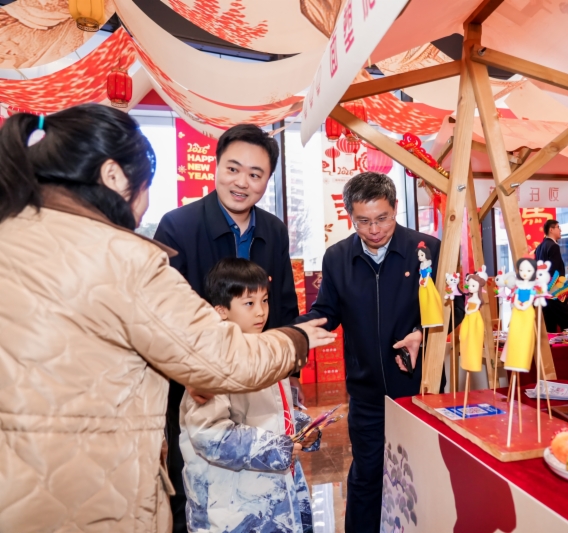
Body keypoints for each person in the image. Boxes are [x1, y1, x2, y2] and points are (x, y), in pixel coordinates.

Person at [0, 105, 334, 532]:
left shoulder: (12, 231)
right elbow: (208, 353)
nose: (144, 203)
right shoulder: (133, 251)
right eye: (146, 185)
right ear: (114, 177)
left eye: (256, 174)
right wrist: (296, 341)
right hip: (109, 464)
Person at [296, 172, 464, 532]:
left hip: (420, 389)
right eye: (363, 221)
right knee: (366, 476)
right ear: (350, 216)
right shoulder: (338, 257)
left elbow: (456, 308)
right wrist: (293, 333)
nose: (374, 230)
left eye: (382, 218)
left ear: (396, 208)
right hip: (367, 392)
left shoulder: (427, 250)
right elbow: (326, 312)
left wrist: (422, 335)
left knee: (422, 475)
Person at [154, 124, 302, 531]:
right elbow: (165, 316)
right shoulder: (178, 226)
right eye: (233, 169)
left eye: (255, 174)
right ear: (216, 166)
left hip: (258, 387)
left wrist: (289, 375)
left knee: (258, 489)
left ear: (267, 181)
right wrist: (193, 375)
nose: (241, 182)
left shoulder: (273, 230)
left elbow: (284, 307)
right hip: (197, 388)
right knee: (198, 493)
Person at [181, 259, 321, 533]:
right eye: (249, 303)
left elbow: (271, 411)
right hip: (233, 507)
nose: (261, 311)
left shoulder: (267, 350)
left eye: (264, 300)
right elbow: (209, 434)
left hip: (273, 494)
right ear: (221, 311)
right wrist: (276, 447)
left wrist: (301, 427)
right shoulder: (212, 360)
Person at [533, 220, 568, 332]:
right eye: (558, 227)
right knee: (567, 323)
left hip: (543, 291)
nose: (560, 230)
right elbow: (555, 270)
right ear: (551, 229)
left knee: (549, 326)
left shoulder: (539, 247)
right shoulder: (553, 246)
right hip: (555, 290)